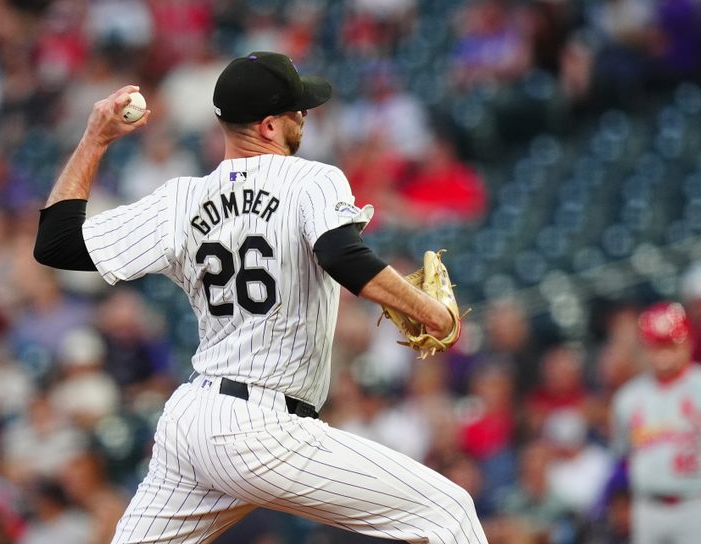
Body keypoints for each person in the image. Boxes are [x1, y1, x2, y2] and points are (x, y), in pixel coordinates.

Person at [34, 51, 487, 543]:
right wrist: (432, 313)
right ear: (270, 127)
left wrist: (95, 139)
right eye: (297, 111)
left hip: (192, 422)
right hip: (263, 429)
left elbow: (56, 244)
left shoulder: (180, 199)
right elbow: (341, 254)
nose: (304, 118)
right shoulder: (310, 178)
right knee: (448, 511)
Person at [611, 301, 701, 544]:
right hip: (648, 506)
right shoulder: (627, 398)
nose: (663, 352)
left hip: (695, 503)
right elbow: (622, 454)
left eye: (670, 343)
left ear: (687, 342)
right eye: (656, 345)